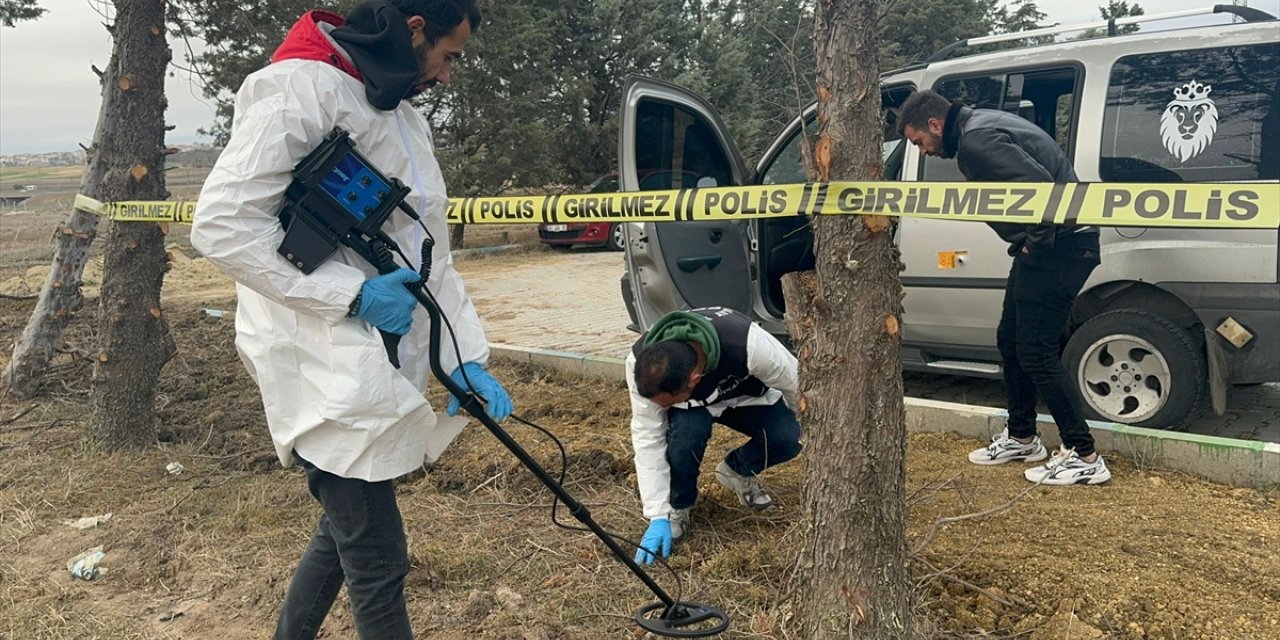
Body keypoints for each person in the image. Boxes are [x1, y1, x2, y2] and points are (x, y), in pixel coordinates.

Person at [190, 2, 513, 638]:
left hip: (367, 354)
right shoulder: (298, 88)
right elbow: (222, 226)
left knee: (342, 531)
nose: (447, 76)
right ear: (414, 28)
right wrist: (351, 296)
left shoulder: (401, 116)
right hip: (317, 356)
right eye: (449, 56)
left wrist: (463, 356)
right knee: (377, 556)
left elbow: (428, 254)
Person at [897, 89, 1110, 486]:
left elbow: (1042, 190)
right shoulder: (982, 125)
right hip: (1055, 244)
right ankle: (1022, 436)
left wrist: (1035, 243)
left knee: (1035, 349)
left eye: (919, 142)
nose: (923, 151)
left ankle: (1084, 454)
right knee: (1010, 339)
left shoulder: (976, 140)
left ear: (935, 125)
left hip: (1060, 246)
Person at [627, 307, 803, 565]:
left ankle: (737, 470)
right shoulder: (640, 365)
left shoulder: (748, 344)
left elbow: (797, 388)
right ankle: (679, 506)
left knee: (790, 437)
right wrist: (657, 515)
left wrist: (814, 437)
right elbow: (647, 437)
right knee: (685, 437)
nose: (661, 409)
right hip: (692, 410)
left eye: (667, 403)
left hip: (745, 398)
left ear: (694, 379)